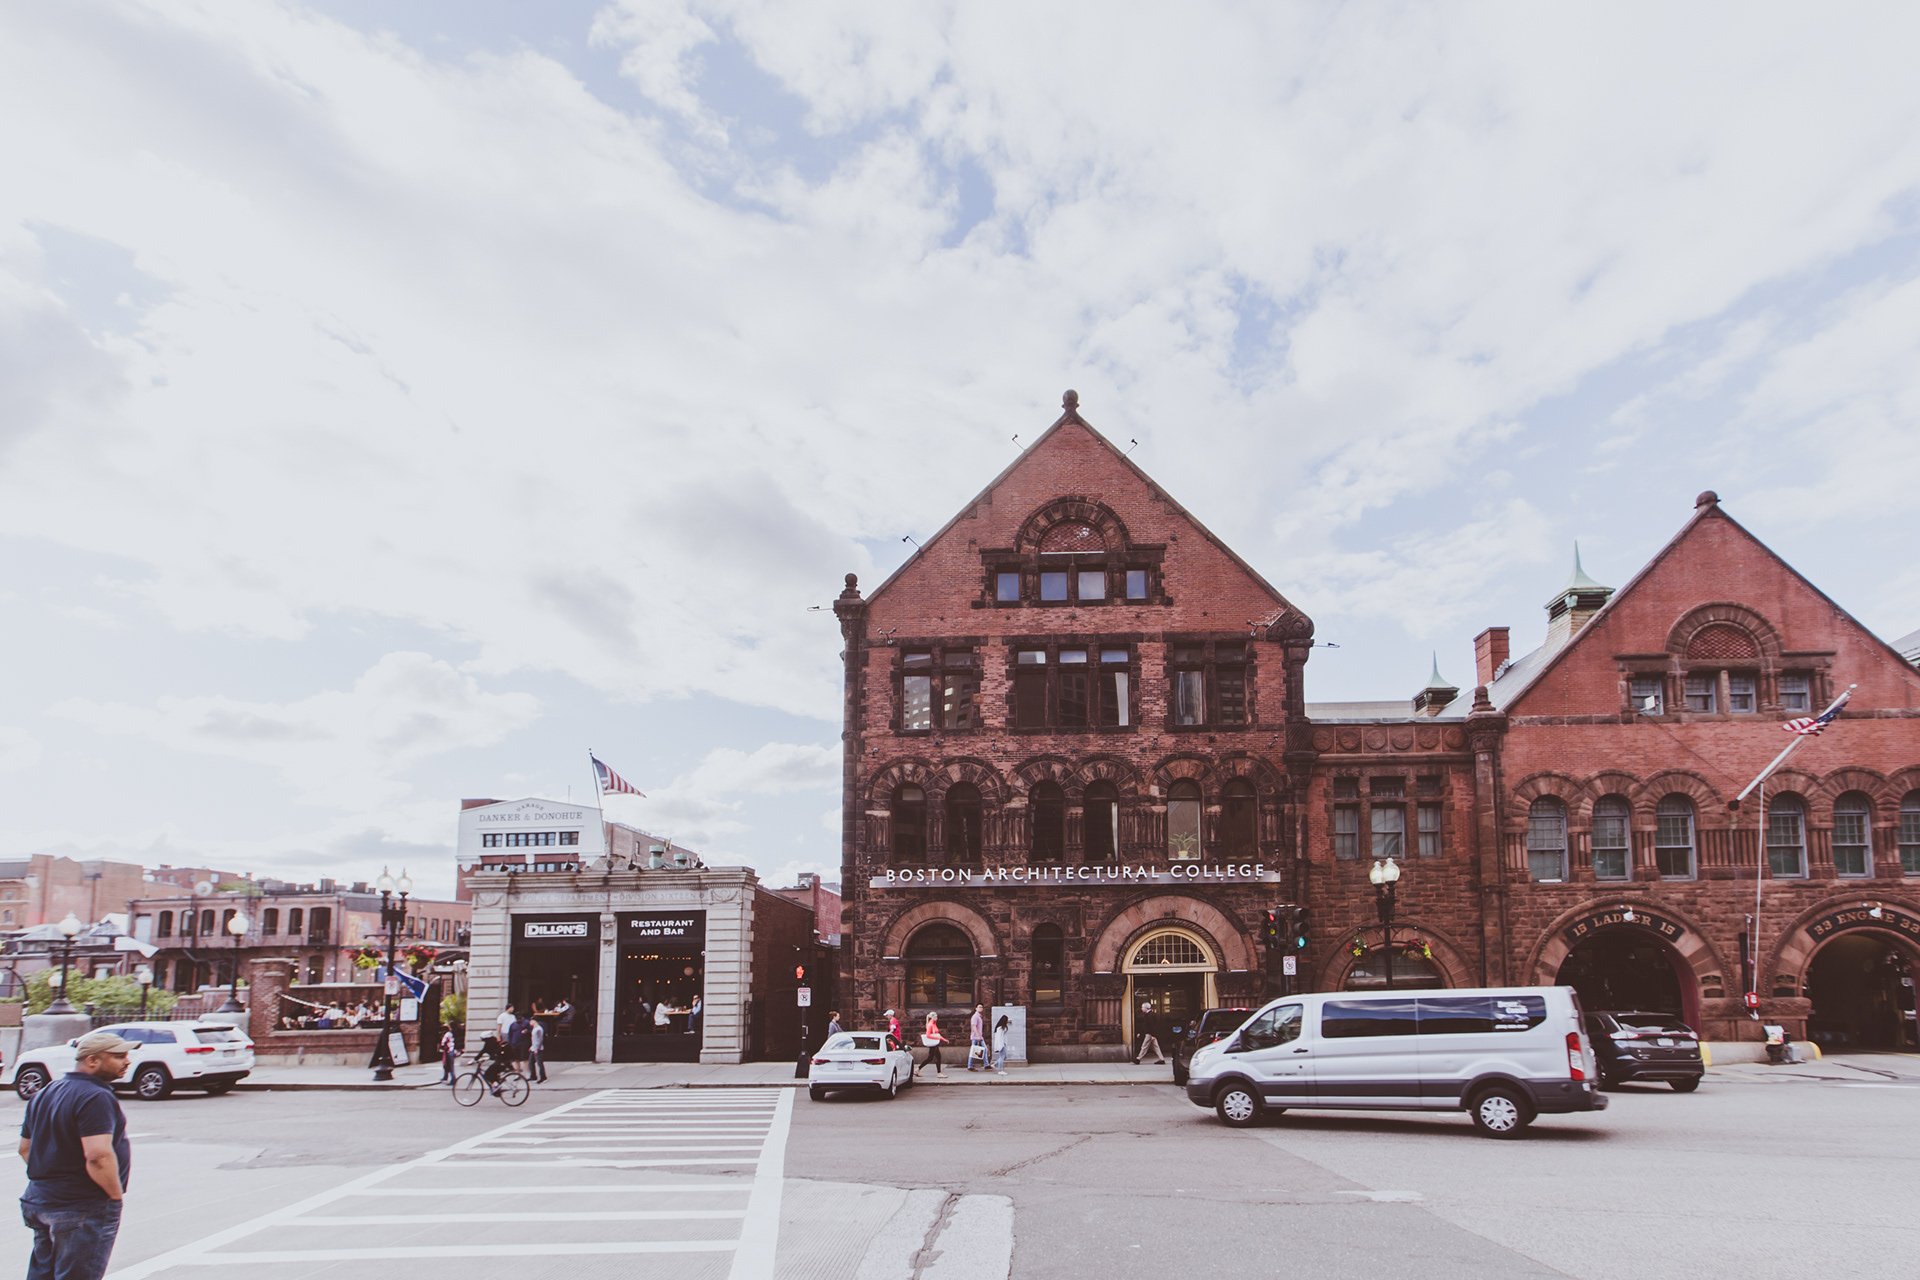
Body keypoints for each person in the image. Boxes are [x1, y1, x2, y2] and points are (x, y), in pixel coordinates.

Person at [19, 1029, 135, 1280]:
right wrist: (114, 1196)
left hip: (41, 1200)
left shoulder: (45, 1092)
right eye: (119, 1056)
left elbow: (25, 1148)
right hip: (80, 1205)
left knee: (43, 1274)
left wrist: (53, 1178)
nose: (127, 1062)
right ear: (92, 1060)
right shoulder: (96, 1096)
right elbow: (98, 1156)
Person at [916, 1012, 947, 1078]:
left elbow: (937, 1034)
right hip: (933, 1043)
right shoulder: (930, 1025)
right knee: (935, 1057)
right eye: (935, 1017)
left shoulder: (933, 1024)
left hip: (934, 1043)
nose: (937, 1018)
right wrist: (937, 1038)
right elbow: (928, 1035)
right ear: (932, 1017)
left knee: (932, 1057)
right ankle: (939, 1073)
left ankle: (918, 1069)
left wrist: (944, 1040)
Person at [527, 1016, 548, 1084]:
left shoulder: (539, 1029)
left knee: (539, 1063)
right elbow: (534, 1040)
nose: (530, 1022)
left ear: (535, 1021)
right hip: (534, 1048)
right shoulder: (534, 1028)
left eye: (531, 1021)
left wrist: (537, 1048)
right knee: (530, 1062)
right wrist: (532, 1047)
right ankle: (533, 1076)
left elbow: (540, 1040)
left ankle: (543, 1078)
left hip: (538, 1049)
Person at [967, 1004, 987, 1071]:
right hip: (975, 1037)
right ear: (976, 1008)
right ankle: (970, 1066)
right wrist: (977, 1035)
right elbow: (974, 1026)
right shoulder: (975, 1017)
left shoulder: (979, 1017)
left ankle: (986, 1065)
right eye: (979, 1007)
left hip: (980, 1037)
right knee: (973, 1051)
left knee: (985, 1049)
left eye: (981, 1007)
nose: (981, 1008)